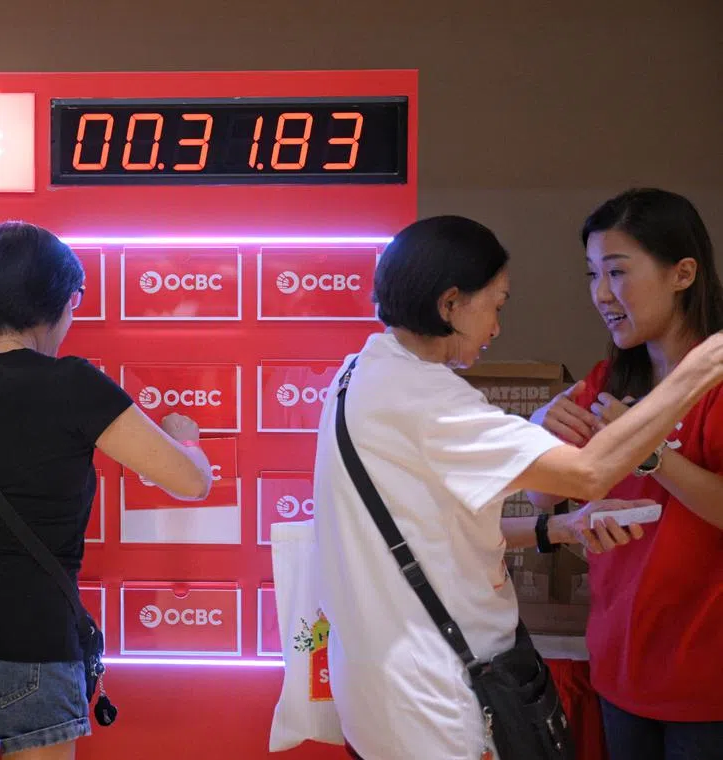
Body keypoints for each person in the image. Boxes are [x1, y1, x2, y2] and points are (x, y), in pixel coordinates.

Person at [310, 214, 723, 760]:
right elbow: (585, 474)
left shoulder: (357, 371)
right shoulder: (428, 398)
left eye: (616, 272)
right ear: (450, 304)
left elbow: (443, 530)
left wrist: (561, 527)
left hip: (388, 691)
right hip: (432, 700)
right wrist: (700, 371)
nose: (497, 329)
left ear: (684, 274)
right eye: (496, 306)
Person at [0, 221, 212, 759]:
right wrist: (186, 435)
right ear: (55, 300)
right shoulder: (72, 384)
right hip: (35, 648)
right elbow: (190, 481)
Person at [527, 188, 723, 759]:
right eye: (592, 274)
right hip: (620, 666)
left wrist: (652, 453)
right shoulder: (605, 381)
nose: (601, 295)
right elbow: (541, 497)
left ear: (683, 272)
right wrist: (542, 428)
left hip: (707, 679)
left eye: (617, 272)